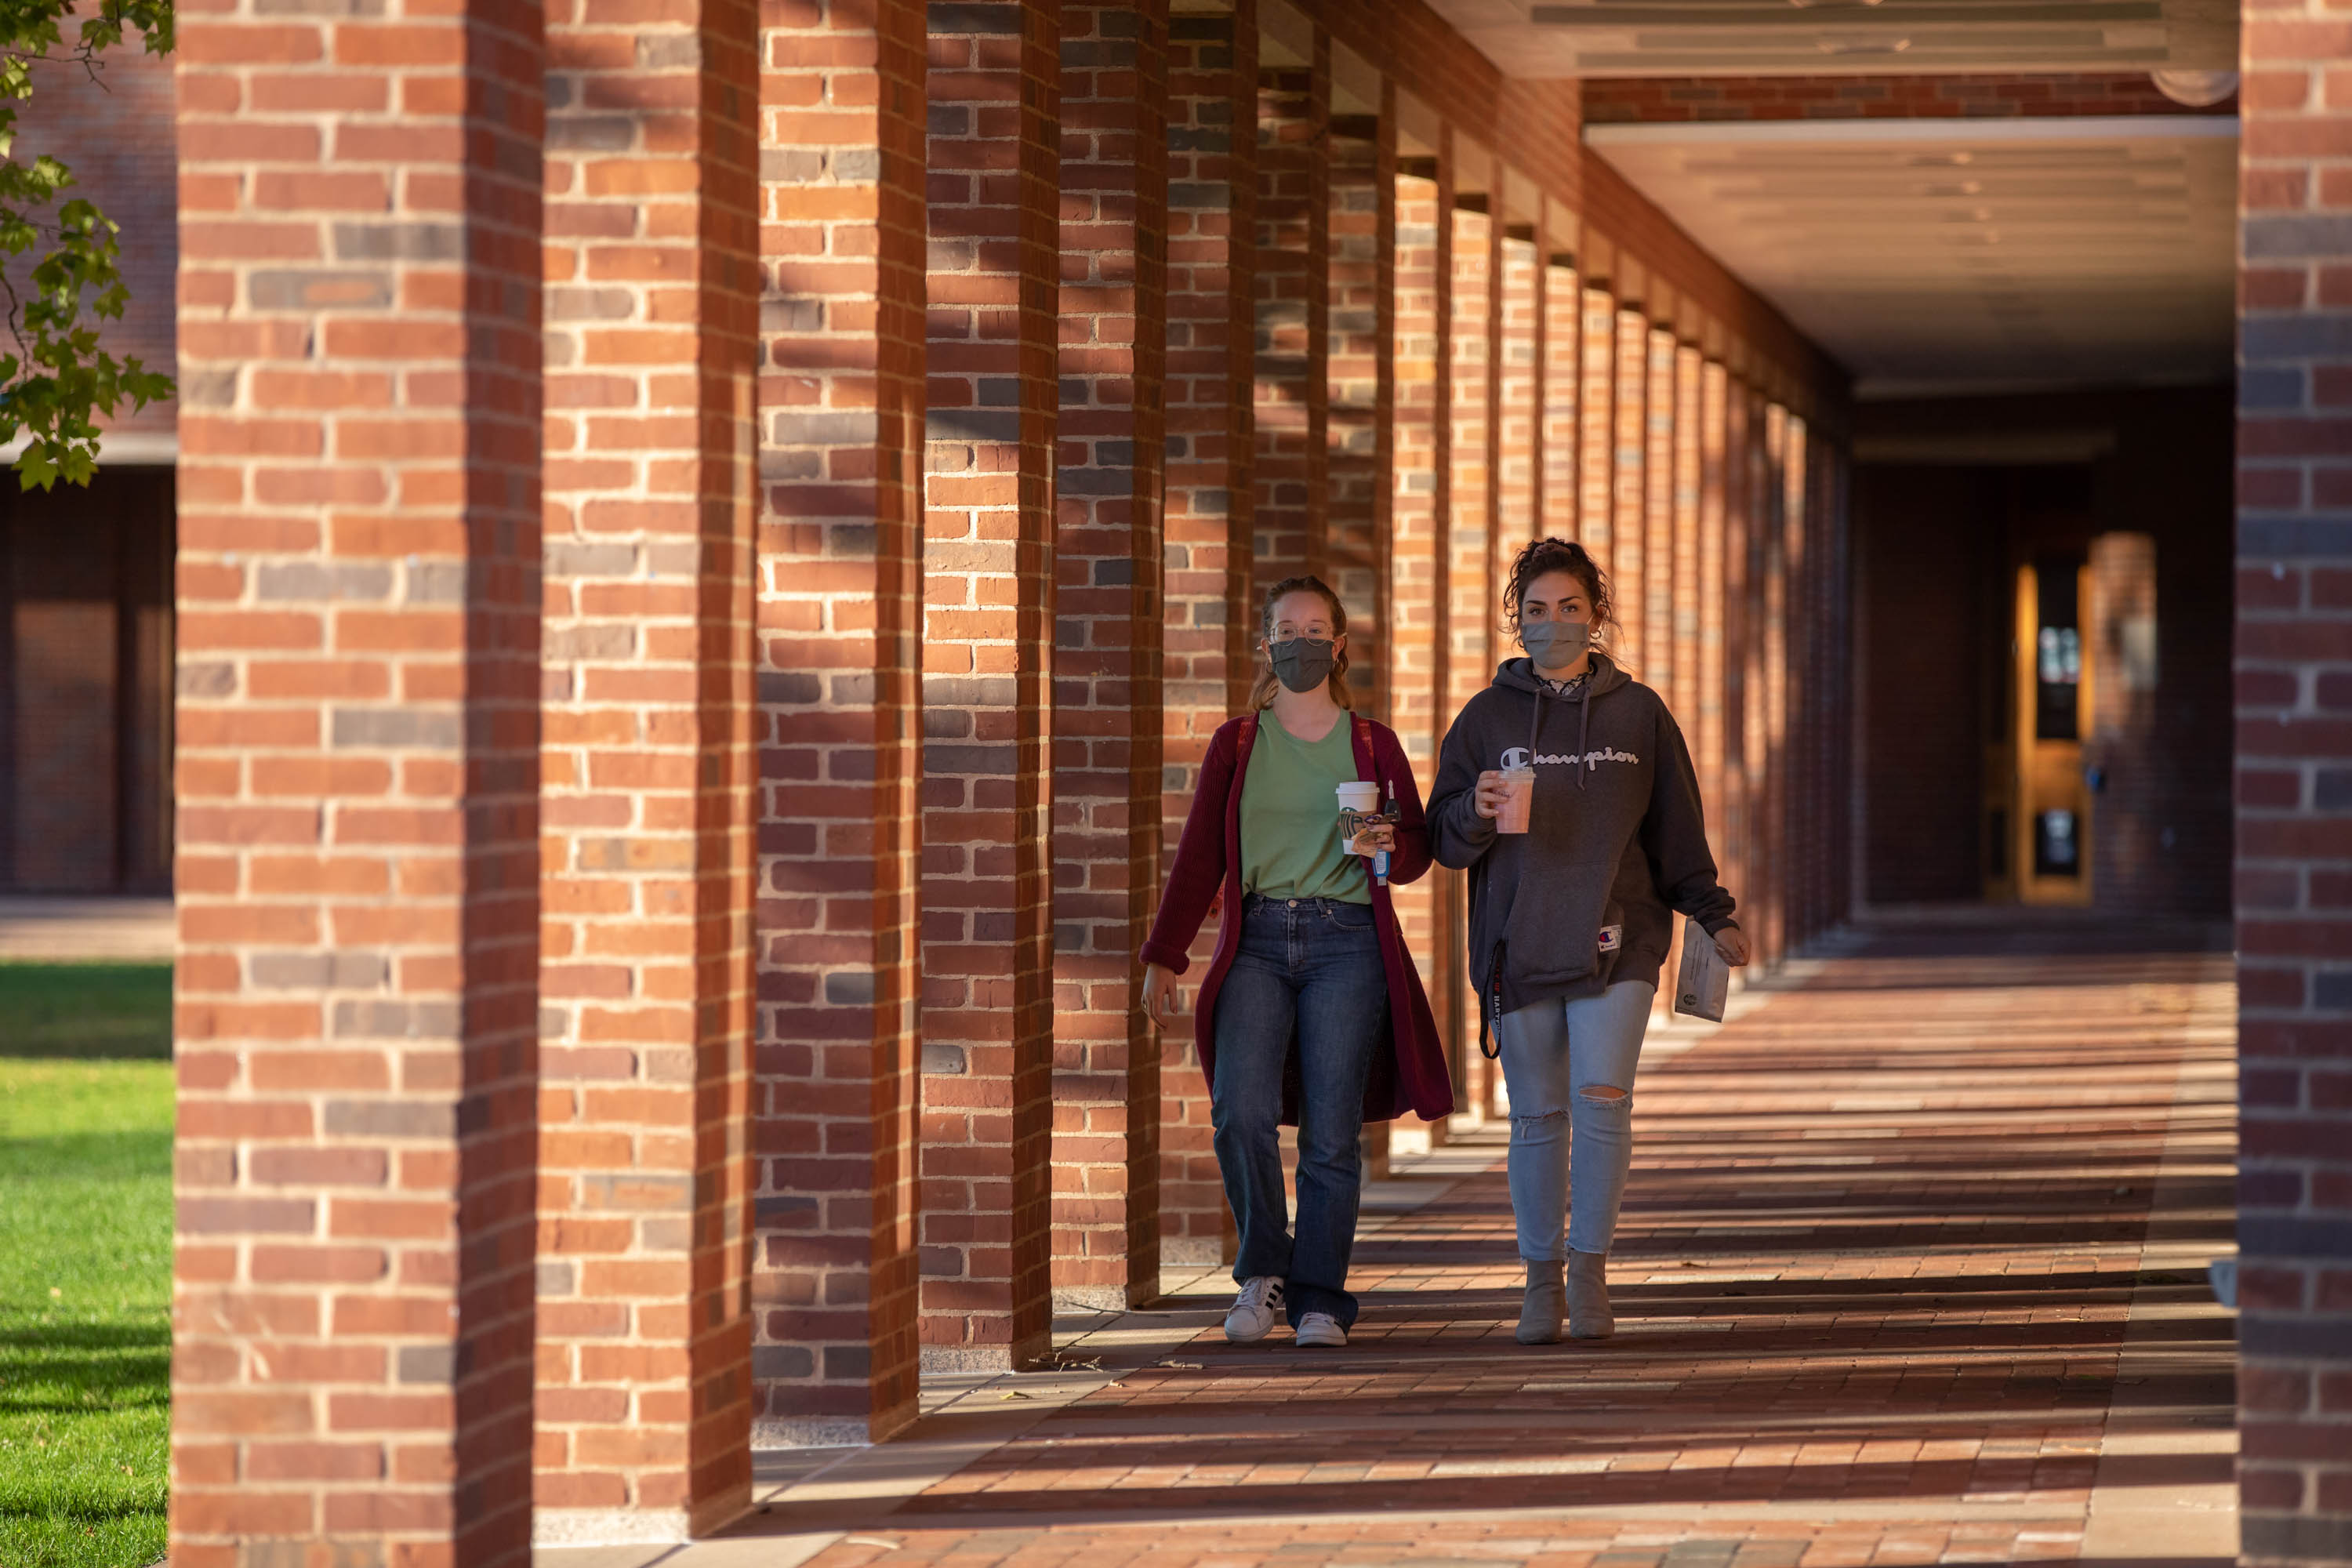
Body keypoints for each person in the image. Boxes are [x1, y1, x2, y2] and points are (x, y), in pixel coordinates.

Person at [1427, 537, 1750, 1345]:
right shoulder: (1485, 717)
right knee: (1537, 1115)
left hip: (1620, 936)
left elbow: (1677, 828)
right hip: (1518, 939)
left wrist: (1712, 910)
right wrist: (1474, 808)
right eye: (1536, 611)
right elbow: (1442, 838)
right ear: (1516, 621)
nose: (1554, 623)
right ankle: (1540, 1282)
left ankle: (1588, 1271)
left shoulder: (1639, 713)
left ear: (1597, 616)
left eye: (1571, 608)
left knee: (1602, 1101)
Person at [1141, 575, 1454, 1349]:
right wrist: (1164, 954)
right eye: (1288, 627)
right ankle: (1262, 1271)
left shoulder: (1372, 742)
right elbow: (1197, 859)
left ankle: (1319, 1297)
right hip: (1257, 944)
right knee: (1239, 1110)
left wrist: (1388, 840)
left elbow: (1417, 851)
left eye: (1317, 628)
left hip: (1348, 943)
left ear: (1339, 644)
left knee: (1329, 1133)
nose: (1302, 640)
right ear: (1267, 642)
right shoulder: (1238, 742)